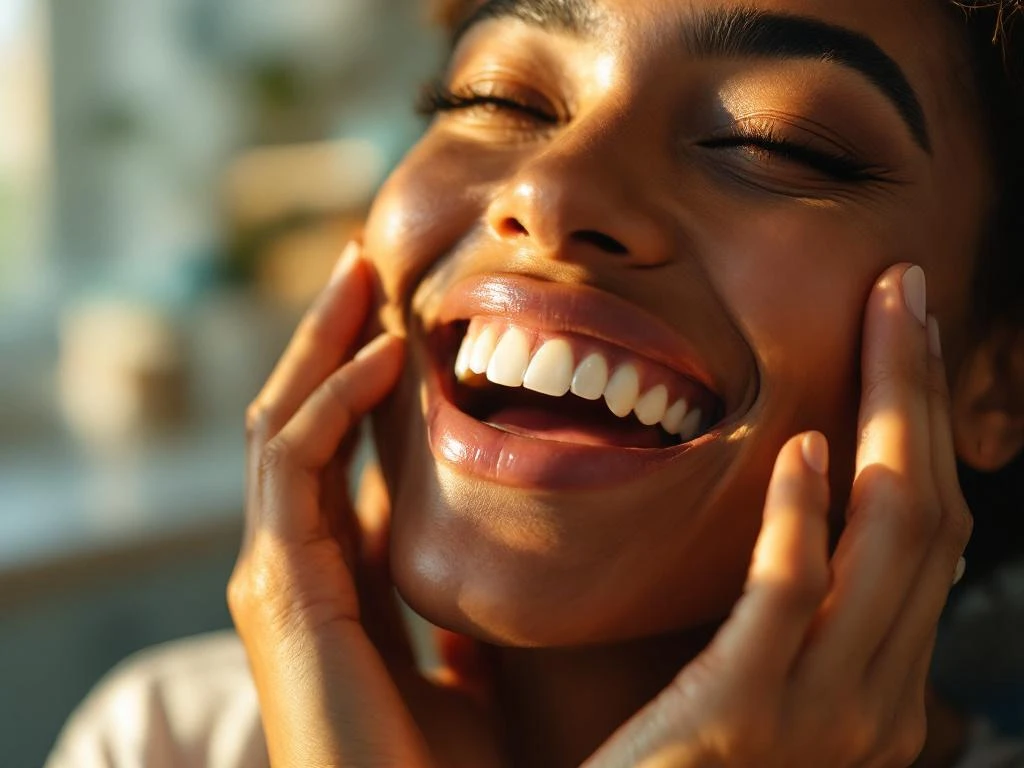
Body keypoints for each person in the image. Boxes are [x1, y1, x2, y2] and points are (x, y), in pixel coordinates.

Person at [49, 0, 1024, 765]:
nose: (550, 192)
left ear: (999, 384)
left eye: (776, 141)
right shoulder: (167, 740)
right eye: (495, 98)